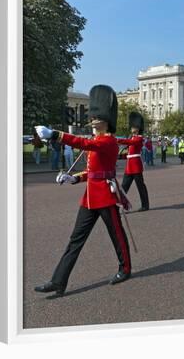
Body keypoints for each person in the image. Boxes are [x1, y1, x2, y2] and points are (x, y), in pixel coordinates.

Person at [33, 85, 132, 296]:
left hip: (106, 196)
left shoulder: (108, 142)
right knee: (75, 240)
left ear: (105, 119)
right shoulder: (97, 141)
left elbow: (81, 143)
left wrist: (54, 134)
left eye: (97, 115)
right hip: (90, 198)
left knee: (117, 236)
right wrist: (73, 178)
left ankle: (125, 268)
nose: (93, 118)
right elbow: (92, 172)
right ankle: (58, 281)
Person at [117, 112, 150, 212]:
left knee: (140, 186)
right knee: (123, 187)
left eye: (133, 127)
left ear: (138, 128)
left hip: (135, 165)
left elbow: (130, 143)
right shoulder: (132, 138)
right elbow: (128, 152)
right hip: (129, 166)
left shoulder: (139, 138)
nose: (131, 128)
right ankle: (119, 206)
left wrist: (115, 139)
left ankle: (145, 205)